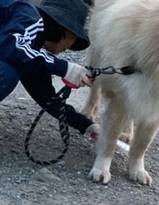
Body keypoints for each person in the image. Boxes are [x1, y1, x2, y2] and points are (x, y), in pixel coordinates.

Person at [0, 0, 99, 140]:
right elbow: (10, 47)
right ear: (69, 34)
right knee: (7, 73)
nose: (68, 49)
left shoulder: (31, 49)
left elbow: (45, 96)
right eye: (73, 41)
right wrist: (65, 68)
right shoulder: (30, 16)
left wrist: (86, 125)